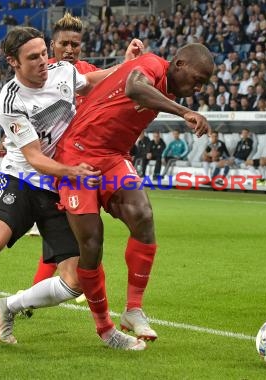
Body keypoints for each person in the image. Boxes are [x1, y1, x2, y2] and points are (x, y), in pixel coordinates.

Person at [0, 26, 141, 347]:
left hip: (58, 187)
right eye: (32, 57)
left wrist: (127, 64)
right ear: (13, 62)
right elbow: (34, 157)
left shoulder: (63, 71)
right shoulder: (9, 101)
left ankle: (7, 307)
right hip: (21, 179)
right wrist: (73, 170)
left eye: (43, 54)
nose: (42, 62)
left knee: (75, 281)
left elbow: (92, 81)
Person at [54, 43, 214, 350]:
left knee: (143, 216)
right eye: (197, 79)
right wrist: (185, 112)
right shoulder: (153, 64)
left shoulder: (167, 89)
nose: (197, 88)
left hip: (113, 157)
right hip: (76, 154)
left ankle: (133, 309)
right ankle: (105, 328)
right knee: (91, 243)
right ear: (178, 63)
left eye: (203, 85)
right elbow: (134, 86)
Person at [31, 12, 145, 290]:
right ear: (51, 45)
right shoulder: (39, 74)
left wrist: (130, 63)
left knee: (82, 238)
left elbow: (114, 86)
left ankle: (30, 299)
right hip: (57, 167)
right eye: (64, 44)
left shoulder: (87, 70)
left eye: (75, 44)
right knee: (75, 239)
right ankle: (29, 299)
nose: (69, 50)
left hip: (89, 165)